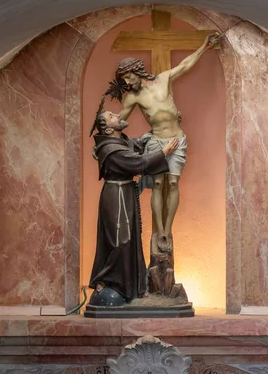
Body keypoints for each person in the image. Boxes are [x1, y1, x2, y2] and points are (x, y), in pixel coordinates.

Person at [111, 32, 220, 249]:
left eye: (128, 77)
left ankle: (167, 230)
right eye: (123, 79)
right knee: (158, 183)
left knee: (172, 182)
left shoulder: (163, 79)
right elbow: (120, 119)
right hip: (156, 142)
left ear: (136, 72)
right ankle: (158, 231)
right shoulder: (133, 97)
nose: (126, 83)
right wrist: (106, 136)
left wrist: (204, 46)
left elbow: (185, 65)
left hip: (176, 140)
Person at [88, 108, 179, 304]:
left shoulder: (118, 143)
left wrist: (148, 137)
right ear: (108, 129)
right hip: (117, 197)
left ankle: (130, 287)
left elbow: (132, 145)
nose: (118, 115)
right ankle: (110, 281)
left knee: (130, 240)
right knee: (120, 241)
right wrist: (163, 152)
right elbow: (136, 163)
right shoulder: (109, 149)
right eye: (112, 116)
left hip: (125, 193)